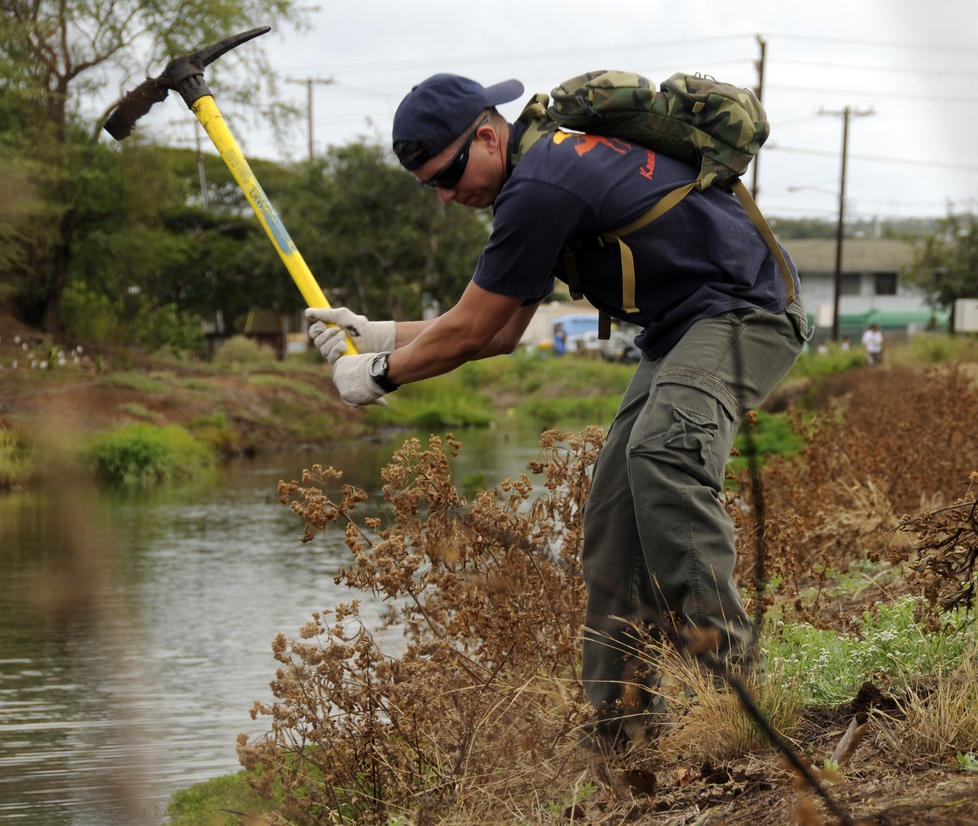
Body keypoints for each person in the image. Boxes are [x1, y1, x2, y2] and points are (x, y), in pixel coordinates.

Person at [305, 73, 811, 750]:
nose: (449, 196)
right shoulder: (534, 176)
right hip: (681, 330)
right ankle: (619, 730)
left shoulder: (543, 184)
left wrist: (378, 375)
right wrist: (377, 334)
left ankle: (734, 693)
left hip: (748, 314)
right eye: (432, 186)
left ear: (488, 135)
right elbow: (499, 329)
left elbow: (473, 330)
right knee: (612, 516)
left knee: (664, 453)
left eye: (450, 175)